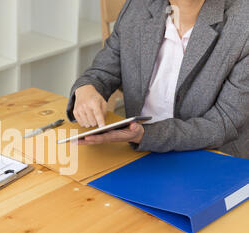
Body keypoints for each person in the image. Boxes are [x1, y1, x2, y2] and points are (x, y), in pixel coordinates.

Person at [68, 0, 248, 158]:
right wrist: (87, 88)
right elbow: (103, 70)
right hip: (137, 154)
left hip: (210, 158)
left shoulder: (242, 24)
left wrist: (146, 135)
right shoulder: (139, 6)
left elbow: (225, 122)